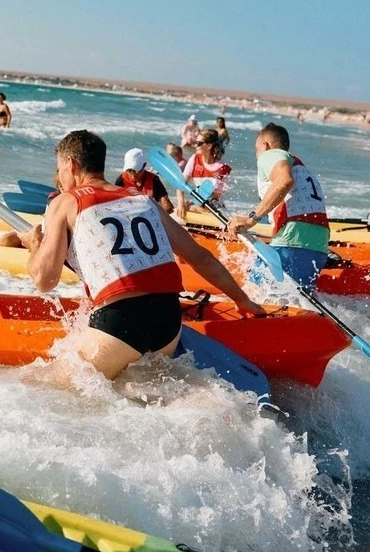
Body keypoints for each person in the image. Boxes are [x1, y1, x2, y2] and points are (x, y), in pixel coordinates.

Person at [19, 130, 265, 380]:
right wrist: (242, 300)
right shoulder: (143, 200)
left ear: (70, 164)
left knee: (41, 384)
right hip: (169, 321)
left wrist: (35, 245)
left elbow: (44, 280)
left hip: (119, 322)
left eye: (59, 168)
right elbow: (199, 257)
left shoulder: (65, 202)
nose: (59, 175)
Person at [226, 123, 330, 290]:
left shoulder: (271, 155)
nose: (256, 154)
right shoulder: (300, 166)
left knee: (256, 294)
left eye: (256, 148)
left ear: (265, 145)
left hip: (292, 239)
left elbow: (284, 181)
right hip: (319, 244)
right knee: (295, 305)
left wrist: (250, 219)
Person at [175, 129, 231, 220]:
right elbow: (181, 184)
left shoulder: (223, 169)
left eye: (199, 143)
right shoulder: (194, 159)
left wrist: (192, 205)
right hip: (198, 205)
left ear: (209, 146)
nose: (195, 145)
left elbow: (215, 198)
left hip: (215, 210)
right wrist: (181, 203)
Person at [114, 148, 174, 213]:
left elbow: (167, 206)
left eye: (136, 171)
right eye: (129, 171)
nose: (133, 175)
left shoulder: (154, 180)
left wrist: (165, 208)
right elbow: (114, 203)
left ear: (144, 165)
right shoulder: (121, 180)